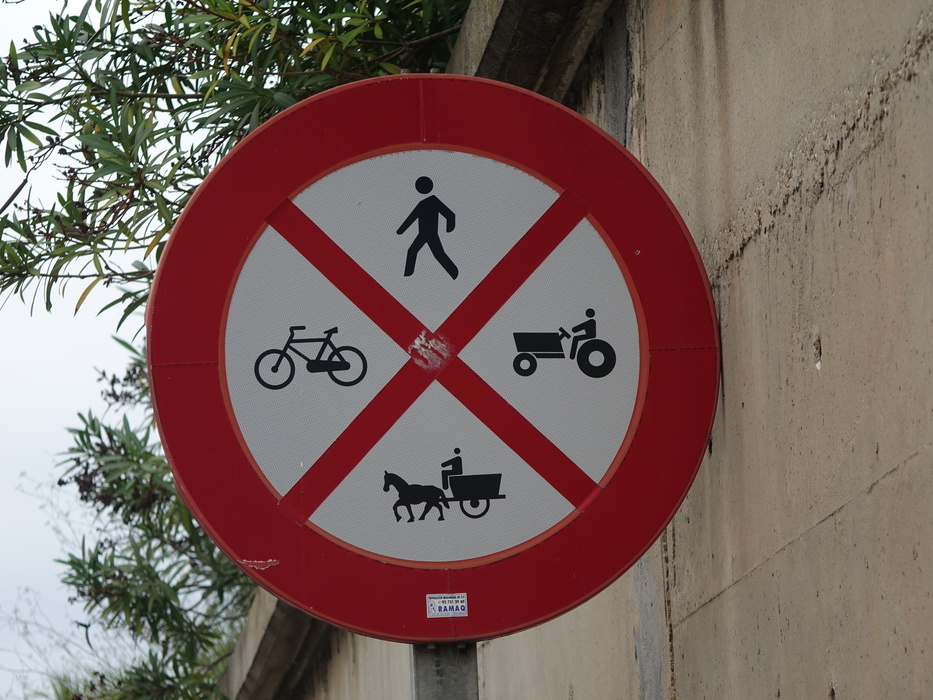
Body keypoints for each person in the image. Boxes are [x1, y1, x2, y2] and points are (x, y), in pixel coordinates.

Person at [396, 176, 458, 279]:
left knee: (438, 254)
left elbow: (450, 215)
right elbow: (411, 218)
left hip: (431, 234)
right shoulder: (422, 204)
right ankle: (407, 276)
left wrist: (449, 228)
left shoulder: (433, 201)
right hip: (422, 234)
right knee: (412, 251)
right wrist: (400, 231)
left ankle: (454, 273)